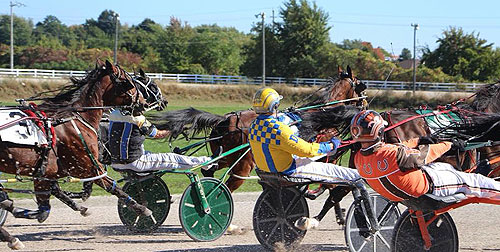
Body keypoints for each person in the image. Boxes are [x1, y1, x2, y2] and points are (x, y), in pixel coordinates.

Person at [248, 87, 361, 230]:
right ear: (275, 105)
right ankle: (359, 184)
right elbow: (306, 150)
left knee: (323, 154)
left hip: (267, 169)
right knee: (350, 175)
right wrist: (330, 145)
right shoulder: (279, 129)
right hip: (290, 170)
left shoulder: (254, 125)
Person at [351, 110, 500, 202]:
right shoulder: (393, 154)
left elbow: (399, 149)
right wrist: (450, 144)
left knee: (446, 167)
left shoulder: (359, 158)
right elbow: (424, 155)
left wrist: (419, 140)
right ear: (379, 132)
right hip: (429, 187)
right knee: (476, 180)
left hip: (401, 191)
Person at [108, 109, 220, 172]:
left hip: (115, 163)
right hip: (135, 163)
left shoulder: (113, 114)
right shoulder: (138, 118)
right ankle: (206, 162)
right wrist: (174, 130)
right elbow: (157, 134)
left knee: (152, 155)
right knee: (172, 158)